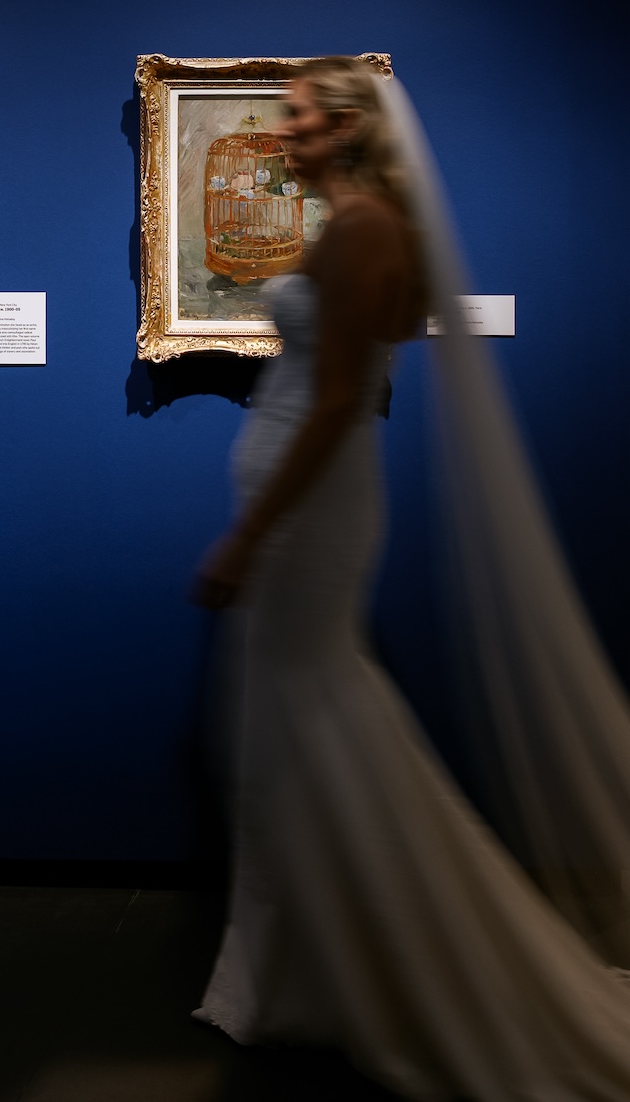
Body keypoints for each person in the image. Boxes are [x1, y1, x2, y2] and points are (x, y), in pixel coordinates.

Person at [191, 56, 630, 1100]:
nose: (282, 133)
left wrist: (251, 534)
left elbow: (340, 399)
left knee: (319, 718)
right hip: (314, 500)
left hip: (309, 512)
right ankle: (308, 963)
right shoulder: (363, 226)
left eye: (296, 117)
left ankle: (396, 954)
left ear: (346, 127)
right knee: (286, 725)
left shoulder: (362, 230)